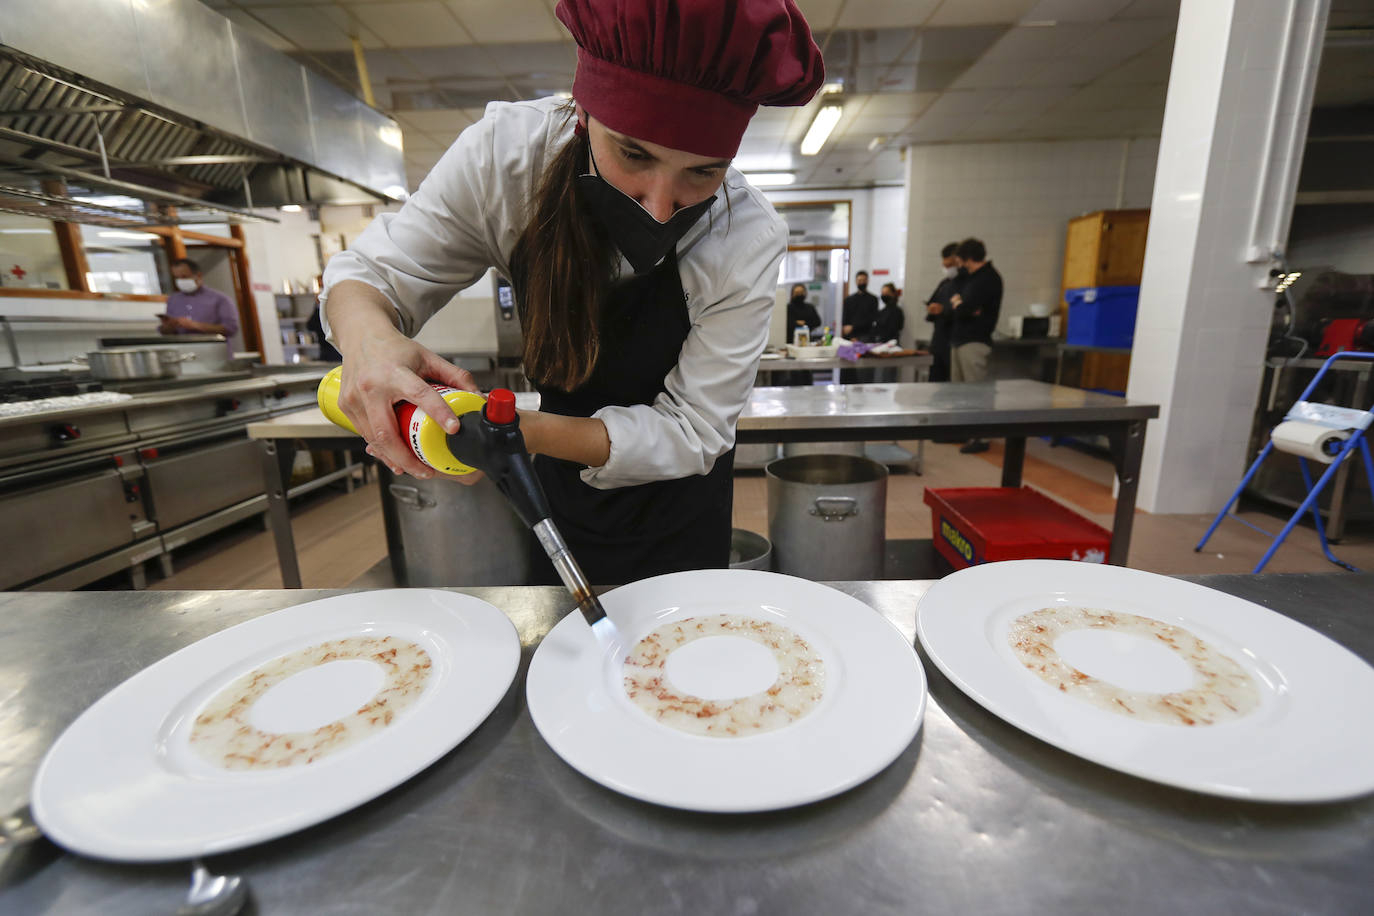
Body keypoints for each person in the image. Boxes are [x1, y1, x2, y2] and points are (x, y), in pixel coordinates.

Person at [318, 0, 824, 586]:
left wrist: (515, 432)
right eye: (634, 154)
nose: (660, 206)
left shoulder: (746, 232)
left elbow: (694, 430)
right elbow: (374, 273)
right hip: (556, 490)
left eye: (702, 173)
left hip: (681, 506)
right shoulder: (509, 159)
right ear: (585, 115)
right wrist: (370, 342)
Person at [948, 237, 1003, 454]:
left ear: (968, 259)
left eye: (960, 261)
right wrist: (961, 304)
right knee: (960, 393)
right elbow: (961, 305)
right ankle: (964, 431)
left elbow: (964, 308)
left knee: (976, 392)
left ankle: (981, 436)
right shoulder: (970, 278)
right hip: (960, 339)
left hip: (975, 340)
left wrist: (962, 305)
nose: (959, 266)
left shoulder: (988, 278)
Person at [160, 258, 238, 351]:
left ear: (198, 276)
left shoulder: (220, 299)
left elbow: (231, 328)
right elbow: (166, 332)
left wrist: (195, 325)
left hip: (214, 353)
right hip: (184, 352)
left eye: (184, 277)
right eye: (177, 278)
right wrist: (169, 326)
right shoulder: (173, 300)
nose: (180, 281)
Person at [923, 242, 961, 382]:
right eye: (945, 265)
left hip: (953, 341)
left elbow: (962, 311)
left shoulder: (965, 284)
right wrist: (932, 309)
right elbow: (932, 304)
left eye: (950, 265)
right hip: (938, 340)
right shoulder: (944, 284)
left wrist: (943, 310)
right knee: (935, 380)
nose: (947, 268)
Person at [785, 282, 821, 386]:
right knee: (794, 373)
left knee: (807, 372)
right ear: (792, 294)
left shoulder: (810, 307)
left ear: (805, 293)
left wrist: (803, 323)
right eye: (797, 292)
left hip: (807, 345)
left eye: (801, 292)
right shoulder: (788, 308)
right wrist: (799, 323)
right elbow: (788, 323)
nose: (799, 294)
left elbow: (817, 321)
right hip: (791, 344)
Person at [841, 269, 878, 340]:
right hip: (850, 335)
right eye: (859, 280)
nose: (862, 282)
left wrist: (854, 327)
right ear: (856, 281)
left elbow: (871, 319)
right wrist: (849, 333)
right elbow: (845, 318)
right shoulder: (848, 300)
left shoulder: (873, 299)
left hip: (866, 335)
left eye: (864, 280)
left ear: (867, 281)